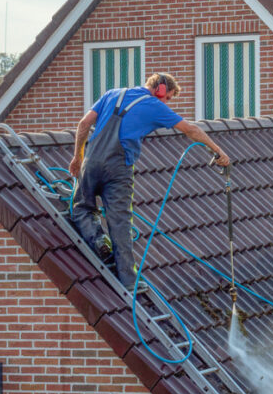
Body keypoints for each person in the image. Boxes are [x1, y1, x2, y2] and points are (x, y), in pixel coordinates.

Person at [68, 72, 230, 287]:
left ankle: (96, 240)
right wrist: (218, 151)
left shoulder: (112, 94)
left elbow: (84, 124)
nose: (167, 102)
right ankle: (127, 281)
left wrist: (78, 157)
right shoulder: (155, 105)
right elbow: (191, 130)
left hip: (90, 160)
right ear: (160, 89)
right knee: (121, 223)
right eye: (169, 97)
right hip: (119, 168)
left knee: (81, 207)